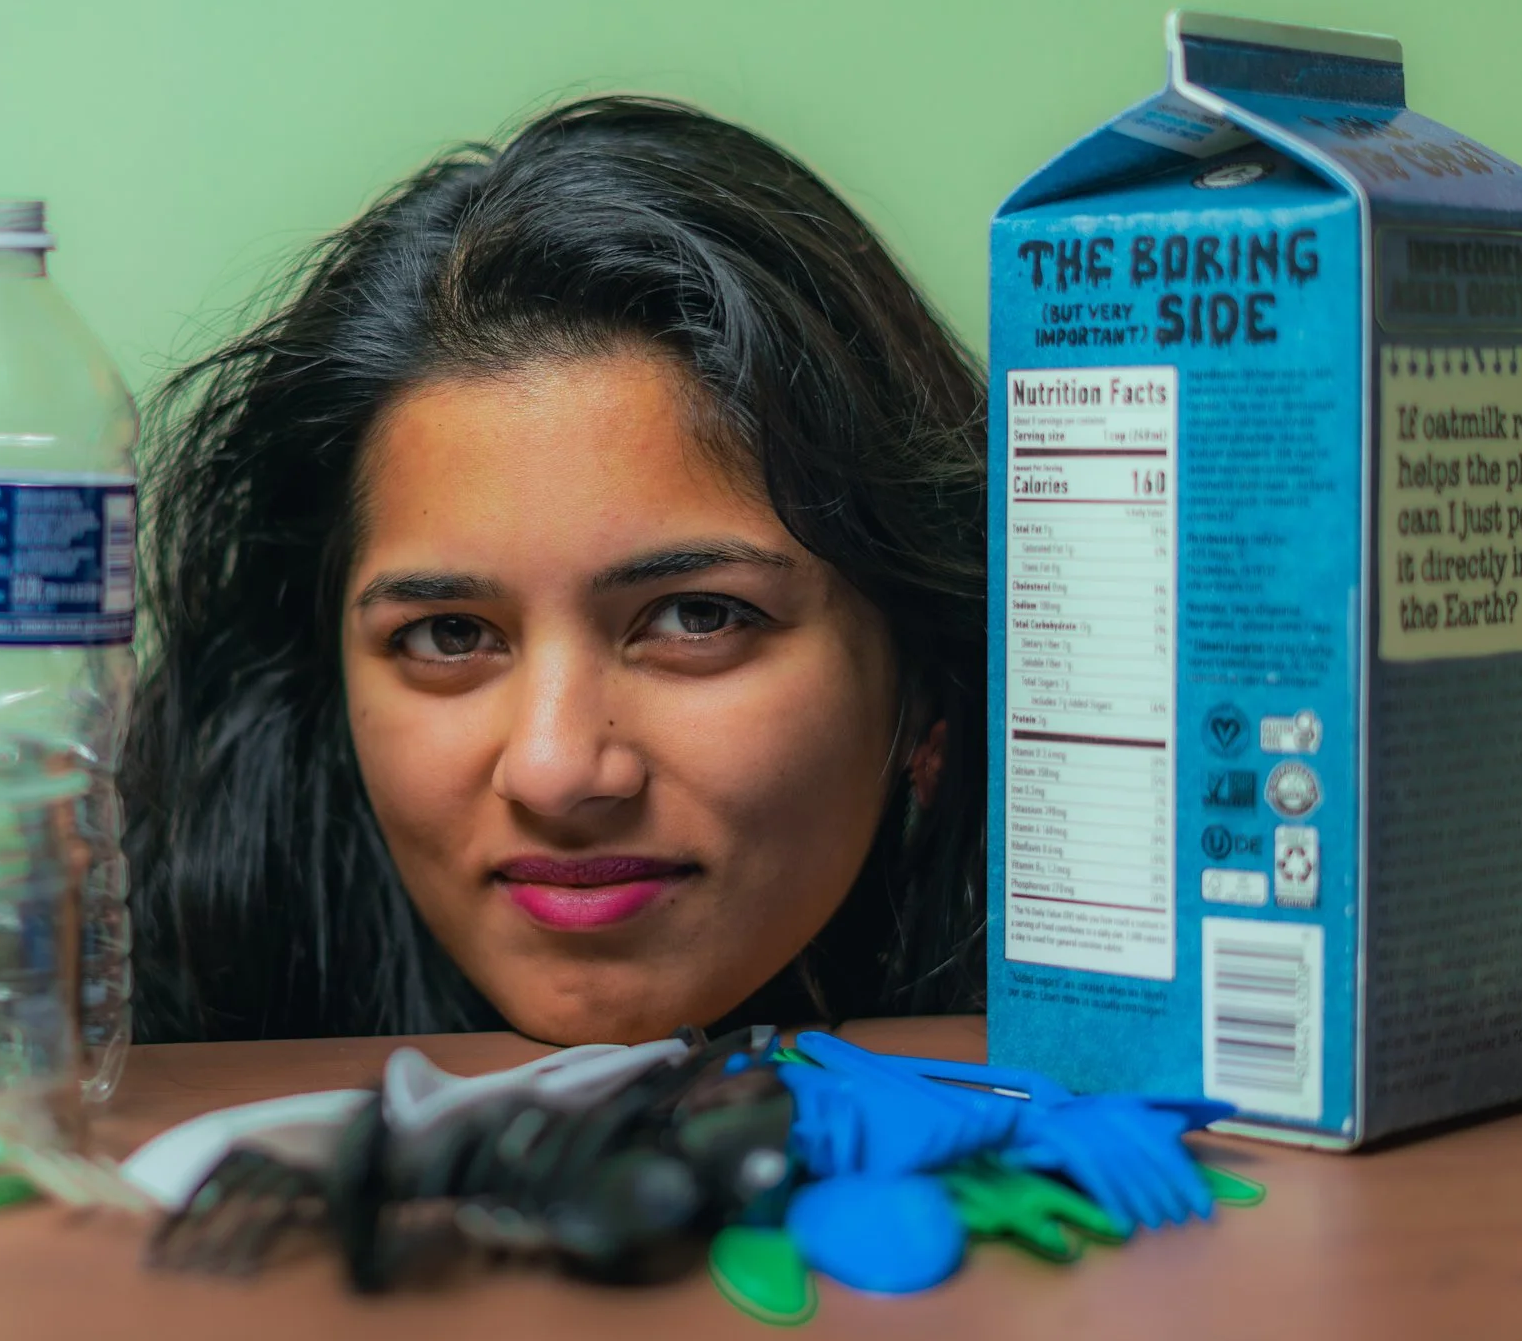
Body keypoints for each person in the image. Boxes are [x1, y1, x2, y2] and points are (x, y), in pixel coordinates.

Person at [122, 96, 985, 1046]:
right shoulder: (123, 1088)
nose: (555, 769)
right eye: (449, 635)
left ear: (925, 681)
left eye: (697, 617)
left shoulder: (1134, 1117)